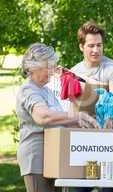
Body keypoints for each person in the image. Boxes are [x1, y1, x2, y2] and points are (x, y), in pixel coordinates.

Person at [16, 43, 99, 192]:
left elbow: (61, 121)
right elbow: (43, 116)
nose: (51, 72)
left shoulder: (46, 91)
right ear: (33, 67)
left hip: (55, 157)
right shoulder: (28, 89)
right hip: (37, 159)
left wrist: (89, 122)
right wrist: (77, 117)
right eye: (48, 67)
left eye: (53, 67)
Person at [71, 21, 113, 192]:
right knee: (81, 188)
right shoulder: (73, 72)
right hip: (84, 140)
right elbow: (71, 108)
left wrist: (106, 116)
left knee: (109, 188)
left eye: (99, 45)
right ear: (81, 46)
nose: (96, 50)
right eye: (91, 45)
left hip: (109, 137)